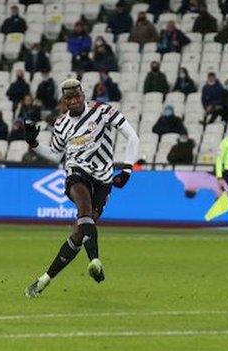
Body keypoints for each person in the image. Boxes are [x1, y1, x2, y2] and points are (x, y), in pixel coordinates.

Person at [23, 78, 140, 298]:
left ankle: (44, 279)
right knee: (84, 210)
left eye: (77, 96)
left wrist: (127, 170)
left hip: (103, 179)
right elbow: (57, 154)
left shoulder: (103, 112)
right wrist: (34, 144)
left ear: (83, 95)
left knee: (81, 232)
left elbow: (132, 137)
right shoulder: (60, 124)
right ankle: (94, 260)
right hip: (76, 172)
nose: (74, 101)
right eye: (69, 98)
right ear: (64, 101)